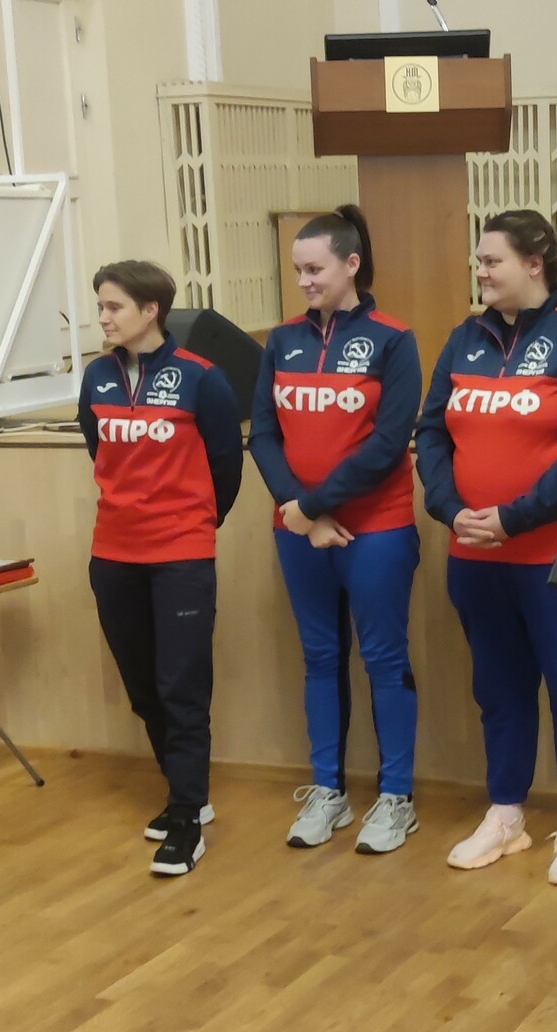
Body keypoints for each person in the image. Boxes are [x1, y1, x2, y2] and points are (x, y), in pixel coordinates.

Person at [415, 209, 557, 887]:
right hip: (476, 554)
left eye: (492, 260)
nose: (480, 271)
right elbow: (431, 432)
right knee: (498, 688)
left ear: (535, 263)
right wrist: (451, 509)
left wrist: (515, 517)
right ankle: (506, 815)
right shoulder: (464, 338)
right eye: (479, 261)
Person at [249, 206, 424, 853]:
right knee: (319, 657)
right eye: (297, 270)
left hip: (375, 528)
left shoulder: (392, 339)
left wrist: (315, 505)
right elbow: (263, 435)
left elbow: (388, 444)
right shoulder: (281, 340)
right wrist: (298, 510)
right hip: (298, 529)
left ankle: (396, 797)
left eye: (315, 269)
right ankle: (328, 791)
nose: (304, 281)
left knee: (383, 659)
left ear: (351, 264)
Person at [78, 260, 242, 877]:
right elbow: (97, 447)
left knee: (182, 687)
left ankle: (186, 817)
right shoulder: (97, 375)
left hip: (180, 556)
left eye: (114, 307)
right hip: (113, 554)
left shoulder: (202, 378)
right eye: (100, 306)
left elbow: (226, 466)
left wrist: (191, 524)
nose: (102, 317)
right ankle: (183, 791)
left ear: (151, 311)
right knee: (144, 686)